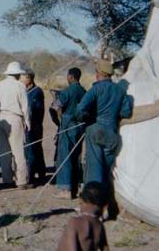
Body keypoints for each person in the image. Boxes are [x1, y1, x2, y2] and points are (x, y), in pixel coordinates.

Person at [75, 59, 133, 217]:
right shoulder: (120, 90)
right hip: (113, 136)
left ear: (98, 74)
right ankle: (106, 208)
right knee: (106, 173)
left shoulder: (96, 89)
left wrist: (84, 118)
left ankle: (92, 211)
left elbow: (80, 109)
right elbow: (126, 113)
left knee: (93, 171)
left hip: (96, 131)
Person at [0, 61, 30, 188]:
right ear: (18, 74)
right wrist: (28, 121)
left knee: (4, 151)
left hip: (0, 118)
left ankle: (7, 179)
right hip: (14, 118)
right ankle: (22, 181)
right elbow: (25, 106)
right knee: (18, 151)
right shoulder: (20, 86)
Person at [53, 68, 87, 200]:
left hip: (68, 126)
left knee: (65, 156)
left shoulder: (67, 91)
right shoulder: (83, 91)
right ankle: (76, 186)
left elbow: (56, 107)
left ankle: (65, 189)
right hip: (80, 126)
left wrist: (59, 119)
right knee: (76, 156)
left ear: (71, 77)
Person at [20, 68, 46, 184]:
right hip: (26, 125)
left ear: (29, 78)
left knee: (33, 149)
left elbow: (33, 109)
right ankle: (39, 172)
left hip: (34, 125)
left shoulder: (37, 91)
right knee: (32, 150)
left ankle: (31, 176)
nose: (21, 80)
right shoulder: (23, 90)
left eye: (23, 77)